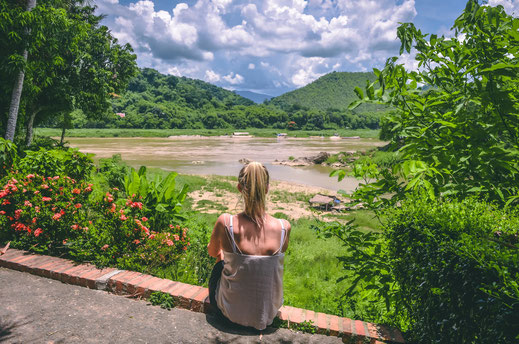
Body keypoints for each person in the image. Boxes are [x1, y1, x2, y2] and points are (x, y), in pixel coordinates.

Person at [207, 161, 291, 330]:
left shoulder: (226, 222)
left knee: (220, 260)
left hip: (229, 315)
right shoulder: (284, 227)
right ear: (266, 189)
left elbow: (212, 251)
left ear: (239, 187)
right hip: (268, 315)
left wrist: (224, 255)